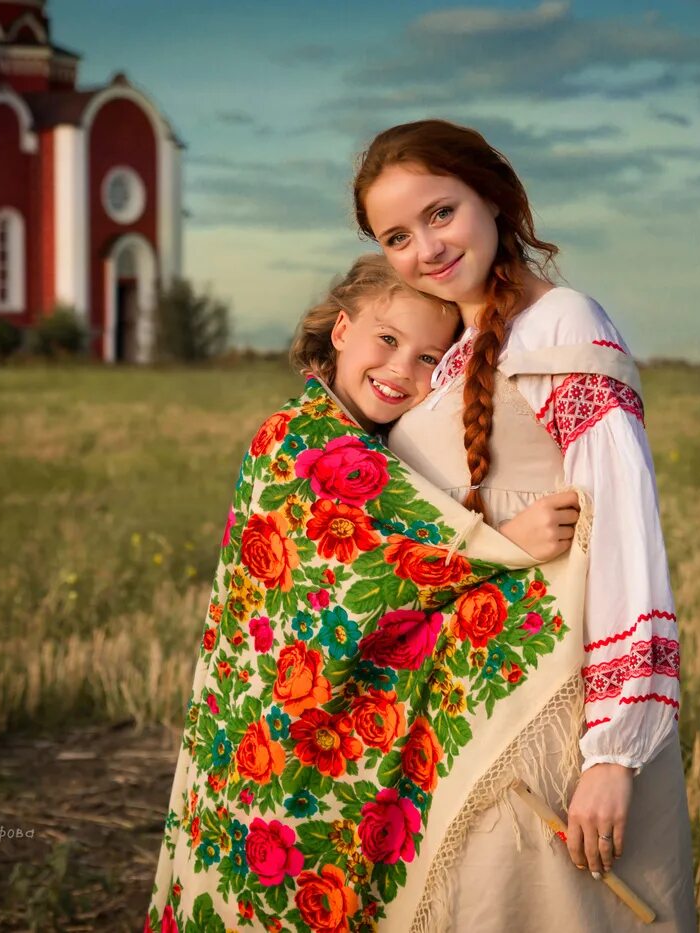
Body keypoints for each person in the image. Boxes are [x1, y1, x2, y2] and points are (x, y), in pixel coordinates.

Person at [146, 253, 583, 932]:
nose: (400, 370)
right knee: (269, 869)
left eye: (427, 359)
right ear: (342, 329)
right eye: (387, 340)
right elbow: (362, 565)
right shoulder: (296, 435)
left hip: (274, 714)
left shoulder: (372, 443)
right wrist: (506, 541)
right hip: (267, 716)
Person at [354, 119, 697, 930]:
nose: (426, 248)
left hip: (560, 717)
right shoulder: (448, 350)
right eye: (397, 235)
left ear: (494, 197)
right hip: (471, 715)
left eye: (442, 213)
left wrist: (613, 751)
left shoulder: (563, 324)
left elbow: (623, 529)